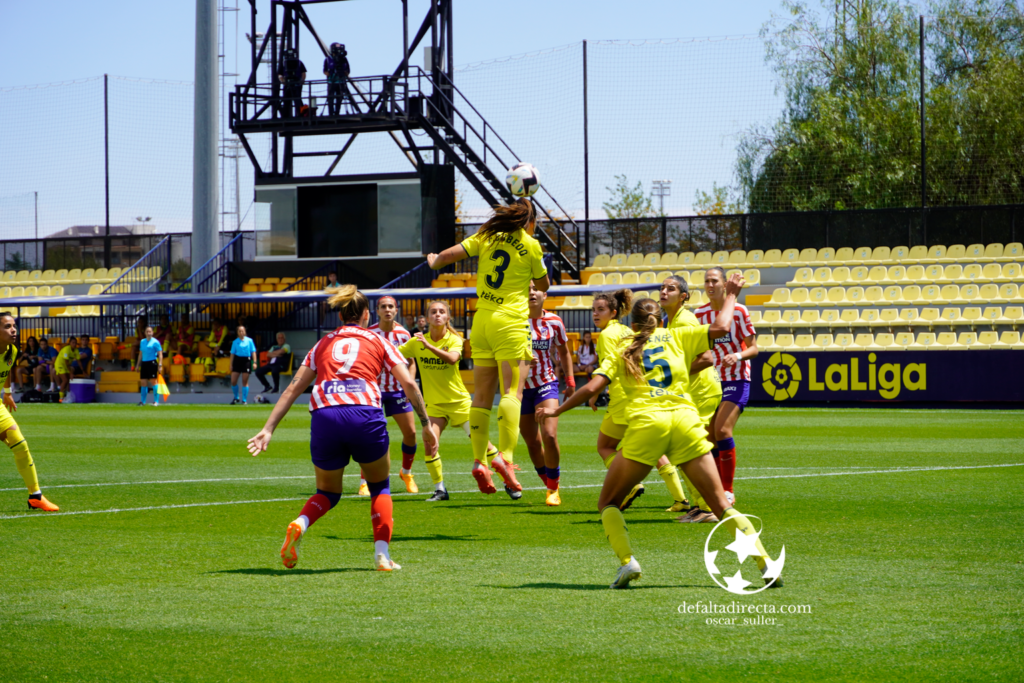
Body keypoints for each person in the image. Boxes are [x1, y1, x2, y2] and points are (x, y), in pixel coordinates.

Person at [538, 278, 782, 590]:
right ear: (659, 319)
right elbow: (722, 327)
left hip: (648, 424)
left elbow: (592, 388)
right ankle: (765, 564)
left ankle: (628, 561)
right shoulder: (677, 335)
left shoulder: (624, 347)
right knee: (721, 504)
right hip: (684, 420)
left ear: (632, 324)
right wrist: (732, 294)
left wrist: (558, 410)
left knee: (608, 502)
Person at [247, 285, 438, 572]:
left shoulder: (322, 344)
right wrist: (425, 424)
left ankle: (300, 523)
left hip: (325, 415)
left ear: (340, 317)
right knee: (380, 487)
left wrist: (268, 429)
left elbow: (293, 389)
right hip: (364, 414)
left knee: (327, 492)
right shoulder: (378, 340)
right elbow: (409, 383)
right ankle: (382, 556)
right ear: (366, 315)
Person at [426, 199, 550, 497]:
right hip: (510, 323)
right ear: (530, 221)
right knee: (512, 393)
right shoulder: (531, 244)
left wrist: (434, 261)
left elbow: (446, 256)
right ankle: (505, 458)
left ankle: (480, 461)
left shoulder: (487, 235)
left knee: (481, 398)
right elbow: (543, 284)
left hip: (481, 321)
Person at [397, 300, 501, 500]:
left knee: (482, 443)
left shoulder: (455, 339)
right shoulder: (416, 342)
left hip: (459, 402)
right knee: (429, 443)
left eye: (441, 312)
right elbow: (393, 355)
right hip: (434, 405)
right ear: (427, 318)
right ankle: (440, 489)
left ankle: (507, 480)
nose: (437, 314)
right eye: (433, 312)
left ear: (448, 317)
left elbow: (452, 359)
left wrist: (428, 346)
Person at [660, 275, 722, 522]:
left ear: (683, 296)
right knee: (681, 449)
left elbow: (706, 357)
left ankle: (708, 507)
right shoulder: (671, 321)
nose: (664, 291)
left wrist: (675, 373)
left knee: (689, 449)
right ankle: (701, 504)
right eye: (662, 288)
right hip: (692, 393)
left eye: (671, 288)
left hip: (701, 392)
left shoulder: (684, 320)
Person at [695, 266, 758, 506]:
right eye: (707, 281)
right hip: (711, 382)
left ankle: (728, 492)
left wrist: (738, 356)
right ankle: (716, 491)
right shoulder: (699, 315)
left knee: (722, 430)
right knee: (709, 437)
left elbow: (754, 348)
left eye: (714, 281)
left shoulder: (739, 311)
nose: (710, 285)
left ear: (724, 285)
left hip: (736, 377)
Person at [520, 283, 574, 506]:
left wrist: (570, 381)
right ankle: (549, 483)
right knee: (533, 444)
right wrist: (519, 360)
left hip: (546, 383)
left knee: (549, 436)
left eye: (536, 289)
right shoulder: (514, 321)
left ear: (544, 294)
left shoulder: (554, 321)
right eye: (527, 288)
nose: (531, 292)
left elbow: (564, 351)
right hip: (520, 388)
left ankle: (553, 488)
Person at [0, 313, 59, 511]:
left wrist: (7, 393)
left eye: (14, 326)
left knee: (21, 446)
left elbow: (6, 370)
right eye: (7, 326)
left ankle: (35, 496)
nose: (13, 330)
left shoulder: (12, 350)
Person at [368, 297, 420, 495]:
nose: (387, 310)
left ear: (396, 310)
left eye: (391, 307)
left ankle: (406, 473)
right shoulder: (370, 333)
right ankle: (365, 480)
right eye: (383, 307)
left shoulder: (403, 334)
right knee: (371, 435)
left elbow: (411, 363)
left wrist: (409, 385)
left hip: (398, 389)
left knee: (411, 433)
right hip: (374, 391)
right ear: (377, 311)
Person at [230, 325, 258, 405]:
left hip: (246, 361)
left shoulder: (249, 340)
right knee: (233, 381)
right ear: (237, 332)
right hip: (237, 360)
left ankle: (244, 400)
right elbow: (232, 354)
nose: (241, 332)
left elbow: (253, 351)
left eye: (242, 331)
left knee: (244, 380)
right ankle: (236, 397)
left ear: (245, 332)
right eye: (239, 331)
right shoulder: (235, 342)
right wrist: (231, 364)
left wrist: (254, 362)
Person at [137, 326, 164, 406]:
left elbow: (160, 354)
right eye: (147, 331)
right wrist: (138, 364)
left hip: (152, 363)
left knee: (153, 382)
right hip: (144, 363)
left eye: (150, 331)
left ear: (152, 333)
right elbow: (140, 354)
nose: (148, 333)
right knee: (143, 383)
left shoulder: (155, 342)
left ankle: (156, 401)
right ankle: (143, 402)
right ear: (145, 333)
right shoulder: (142, 341)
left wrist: (160, 365)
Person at [323, 42, 352, 116]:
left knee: (340, 98)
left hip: (341, 81)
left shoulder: (344, 59)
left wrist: (343, 72)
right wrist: (331, 72)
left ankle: (337, 113)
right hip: (332, 82)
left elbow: (348, 71)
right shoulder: (328, 59)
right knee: (331, 98)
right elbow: (325, 71)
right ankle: (331, 113)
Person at [279, 47, 307, 118]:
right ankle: (287, 116)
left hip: (296, 84)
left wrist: (301, 81)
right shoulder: (284, 63)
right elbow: (280, 74)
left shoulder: (299, 63)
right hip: (290, 84)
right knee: (288, 101)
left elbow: (303, 73)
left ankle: (299, 114)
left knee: (296, 100)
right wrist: (283, 81)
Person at [54, 337, 78, 402]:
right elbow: (66, 362)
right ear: (69, 343)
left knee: (69, 380)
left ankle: (68, 395)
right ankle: (61, 398)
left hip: (66, 366)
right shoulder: (66, 349)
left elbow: (79, 360)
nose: (74, 344)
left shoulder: (76, 350)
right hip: (60, 365)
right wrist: (71, 373)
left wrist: (83, 371)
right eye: (73, 342)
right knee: (65, 380)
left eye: (75, 343)